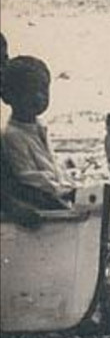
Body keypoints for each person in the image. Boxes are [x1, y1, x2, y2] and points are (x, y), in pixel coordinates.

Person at [1, 54, 75, 222]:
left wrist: (67, 185)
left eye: (43, 90)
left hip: (56, 199)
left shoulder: (39, 127)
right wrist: (65, 191)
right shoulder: (12, 135)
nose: (39, 97)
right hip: (40, 209)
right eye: (30, 92)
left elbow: (52, 167)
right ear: (9, 96)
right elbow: (30, 177)